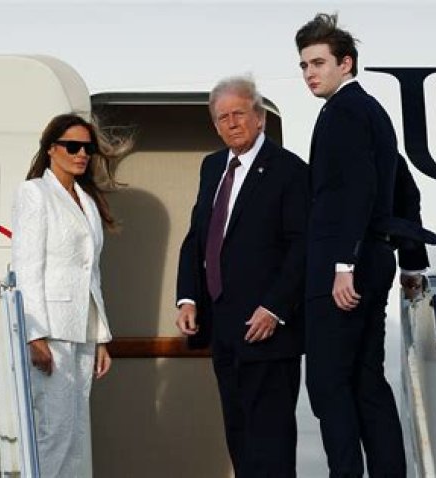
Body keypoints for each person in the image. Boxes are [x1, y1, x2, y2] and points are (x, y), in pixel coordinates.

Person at [296, 13, 436, 478]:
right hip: (376, 258)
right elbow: (405, 189)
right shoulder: (373, 112)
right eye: (304, 65)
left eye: (318, 63)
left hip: (346, 265)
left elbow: (356, 190)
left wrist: (343, 263)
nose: (309, 74)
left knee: (328, 383)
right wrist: (411, 264)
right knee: (366, 380)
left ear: (346, 63)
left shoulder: (342, 112)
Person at [175, 76, 308, 478]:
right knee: (240, 436)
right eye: (223, 117)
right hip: (224, 328)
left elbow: (302, 247)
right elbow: (198, 237)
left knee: (271, 441)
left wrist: (275, 308)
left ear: (260, 117)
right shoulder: (213, 166)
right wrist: (188, 297)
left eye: (239, 113)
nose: (232, 123)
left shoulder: (289, 170)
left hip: (269, 330)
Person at [11, 112, 130, 478]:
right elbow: (27, 265)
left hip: (82, 328)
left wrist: (100, 336)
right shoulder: (35, 193)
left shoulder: (87, 201)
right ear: (51, 148)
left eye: (87, 148)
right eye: (73, 146)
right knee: (54, 431)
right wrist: (34, 333)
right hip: (50, 328)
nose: (82, 154)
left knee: (77, 434)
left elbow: (91, 273)